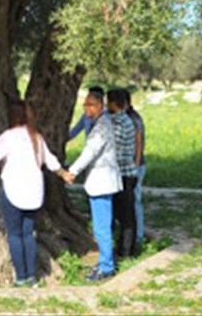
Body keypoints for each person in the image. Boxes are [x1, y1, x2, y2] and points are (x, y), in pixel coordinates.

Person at [0, 99, 72, 287]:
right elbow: (51, 161)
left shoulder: (8, 137)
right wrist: (64, 175)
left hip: (14, 191)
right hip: (35, 193)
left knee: (14, 234)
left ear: (11, 116)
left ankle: (21, 277)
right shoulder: (36, 137)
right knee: (28, 234)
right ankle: (32, 277)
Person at [63, 90, 121, 282]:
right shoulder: (99, 123)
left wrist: (72, 172)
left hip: (102, 183)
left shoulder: (102, 127)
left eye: (91, 105)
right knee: (101, 226)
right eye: (85, 105)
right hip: (100, 182)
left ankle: (106, 267)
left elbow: (90, 152)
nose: (87, 108)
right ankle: (105, 262)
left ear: (100, 106)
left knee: (101, 228)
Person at [107, 87, 139, 259]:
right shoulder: (124, 120)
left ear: (113, 103)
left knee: (125, 215)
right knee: (125, 214)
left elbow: (116, 152)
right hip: (125, 173)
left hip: (123, 174)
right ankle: (126, 247)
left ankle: (127, 251)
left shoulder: (120, 122)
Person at [125, 88, 146, 247]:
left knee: (135, 200)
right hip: (129, 165)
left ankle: (138, 236)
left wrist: (136, 164)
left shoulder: (134, 119)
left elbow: (138, 143)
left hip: (134, 165)